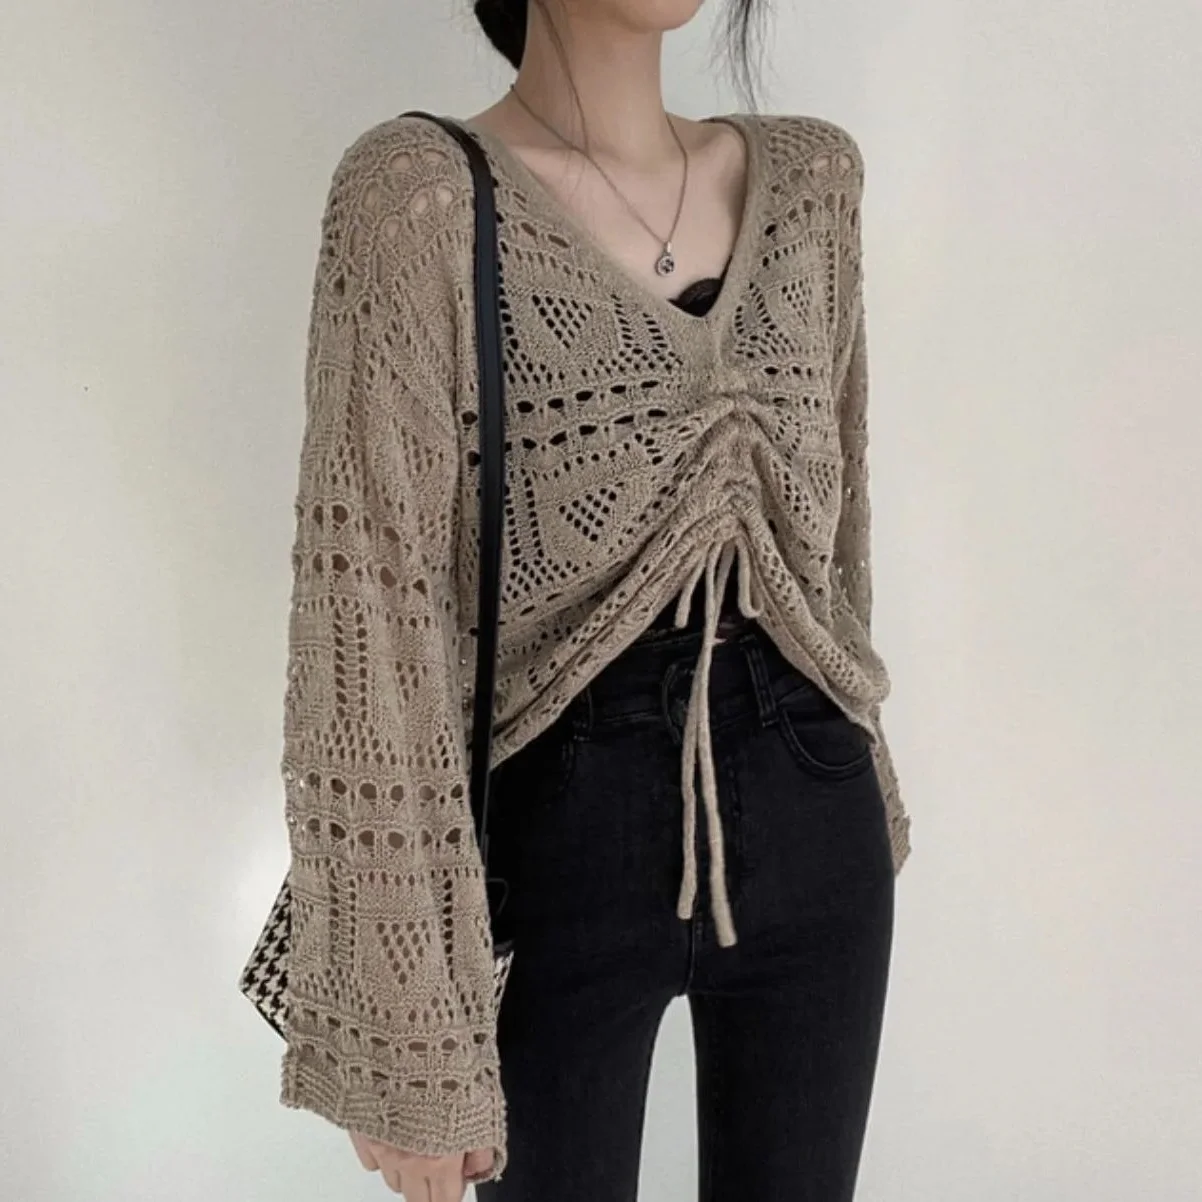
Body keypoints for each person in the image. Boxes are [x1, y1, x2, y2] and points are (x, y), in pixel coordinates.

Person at [273, 0, 913, 1198]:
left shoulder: (811, 184)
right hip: (559, 836)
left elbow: (836, 543)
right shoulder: (419, 199)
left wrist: (865, 769)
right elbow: (369, 603)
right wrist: (408, 1023)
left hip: (811, 804)